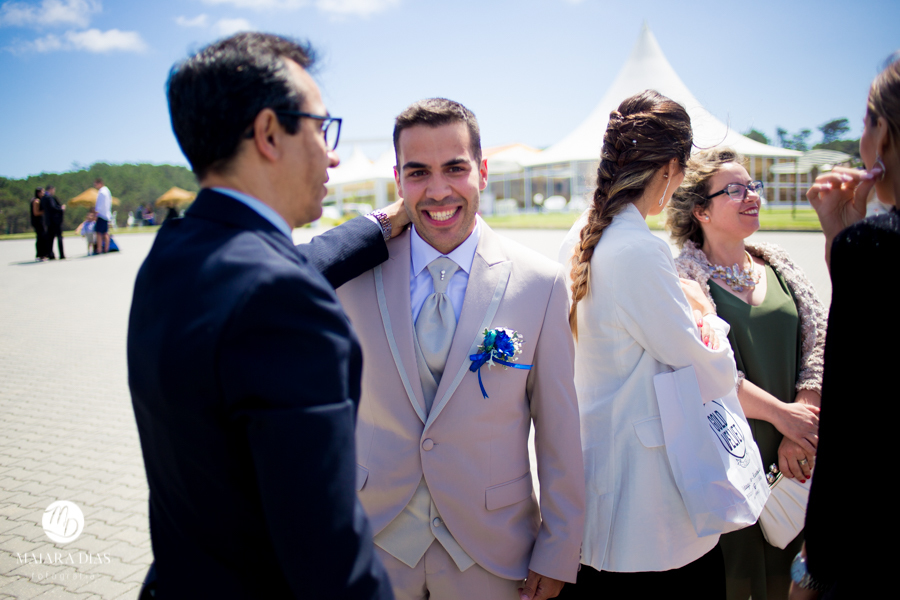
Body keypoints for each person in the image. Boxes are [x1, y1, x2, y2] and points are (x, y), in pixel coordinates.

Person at [128, 32, 406, 599]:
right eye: (322, 128)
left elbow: (288, 266)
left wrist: (379, 225)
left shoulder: (172, 255)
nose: (332, 154)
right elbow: (329, 558)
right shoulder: (283, 303)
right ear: (269, 133)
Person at [336, 98, 585, 600]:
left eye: (455, 168)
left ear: (482, 172)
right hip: (372, 542)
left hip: (491, 549)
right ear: (398, 180)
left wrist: (559, 546)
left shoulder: (540, 283)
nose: (438, 190)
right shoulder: (351, 275)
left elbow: (559, 428)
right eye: (418, 172)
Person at [557, 90, 738, 599]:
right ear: (670, 169)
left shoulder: (582, 235)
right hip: (647, 504)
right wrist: (705, 312)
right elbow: (706, 373)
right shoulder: (639, 249)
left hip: (597, 474)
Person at [667, 148, 826, 600]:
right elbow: (703, 366)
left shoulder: (779, 264)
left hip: (799, 459)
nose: (751, 195)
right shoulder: (682, 278)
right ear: (701, 210)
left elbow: (818, 342)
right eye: (734, 190)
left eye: (752, 186)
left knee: (799, 578)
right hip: (733, 463)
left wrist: (801, 428)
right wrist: (782, 416)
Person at [790, 52, 900, 600]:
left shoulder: (873, 247)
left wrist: (813, 563)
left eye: (866, 124)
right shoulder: (867, 245)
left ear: (883, 136)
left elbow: (854, 413)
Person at [41, 184, 65, 259]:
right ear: (51, 189)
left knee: (50, 238)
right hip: (55, 221)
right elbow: (53, 207)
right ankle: (62, 254)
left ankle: (50, 254)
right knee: (59, 237)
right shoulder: (49, 198)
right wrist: (61, 209)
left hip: (48, 221)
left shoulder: (43, 198)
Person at [93, 178, 112, 253]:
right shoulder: (107, 190)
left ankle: (99, 249)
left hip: (101, 214)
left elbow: (99, 205)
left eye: (96, 185)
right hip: (107, 214)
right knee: (105, 232)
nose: (95, 186)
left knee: (99, 233)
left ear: (100, 183)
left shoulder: (101, 192)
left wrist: (95, 214)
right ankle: (106, 248)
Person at [30, 187, 47, 260]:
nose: (43, 193)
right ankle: (40, 254)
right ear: (38, 193)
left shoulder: (38, 200)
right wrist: (44, 211)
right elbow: (36, 213)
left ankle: (41, 254)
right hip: (38, 222)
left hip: (40, 221)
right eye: (42, 192)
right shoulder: (36, 201)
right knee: (41, 238)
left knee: (41, 237)